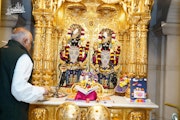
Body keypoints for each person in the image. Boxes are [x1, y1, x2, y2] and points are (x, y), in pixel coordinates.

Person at [0, 27, 50, 120]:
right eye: (30, 43)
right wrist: (43, 90)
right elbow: (20, 90)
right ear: (25, 41)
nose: (30, 47)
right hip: (12, 113)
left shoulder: (2, 51)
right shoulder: (23, 56)